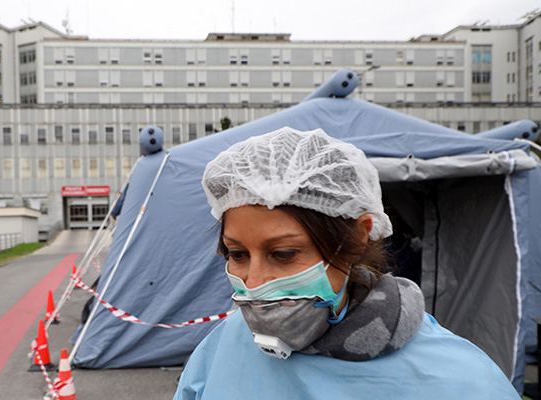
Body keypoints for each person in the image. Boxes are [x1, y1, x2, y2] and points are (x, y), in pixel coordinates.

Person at [173, 127, 519, 399]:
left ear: (357, 238)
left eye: (284, 254)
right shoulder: (222, 349)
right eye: (237, 254)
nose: (254, 283)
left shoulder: (460, 380)